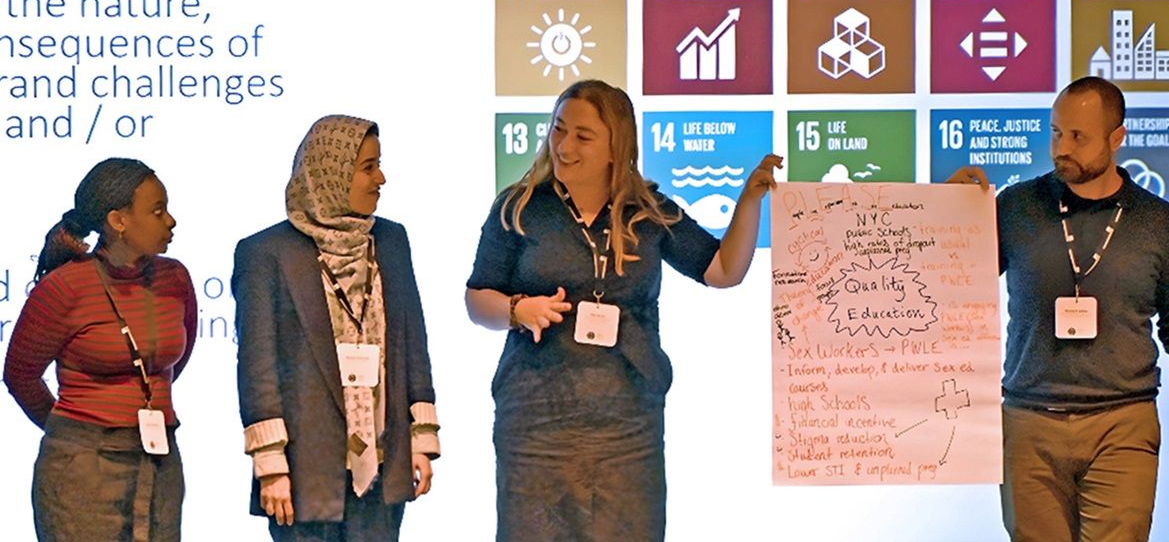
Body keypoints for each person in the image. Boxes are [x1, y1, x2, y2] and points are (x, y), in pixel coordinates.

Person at [465, 79, 780, 541]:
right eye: (558, 129)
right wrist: (516, 309)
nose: (564, 146)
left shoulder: (647, 210)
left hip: (627, 425)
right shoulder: (519, 207)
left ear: (617, 146)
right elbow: (477, 299)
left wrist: (749, 200)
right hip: (536, 424)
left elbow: (723, 269)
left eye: (583, 136)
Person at [949, 76, 1169, 541]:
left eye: (1078, 137)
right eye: (1056, 133)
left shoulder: (1161, 223)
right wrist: (949, 213)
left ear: (1117, 138)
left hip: (1122, 425)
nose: (1061, 148)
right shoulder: (1017, 206)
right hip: (1029, 422)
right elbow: (955, 284)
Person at [234, 115, 439, 541]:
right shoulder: (266, 253)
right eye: (367, 167)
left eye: (378, 164)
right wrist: (270, 467)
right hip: (306, 470)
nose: (380, 178)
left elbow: (412, 342)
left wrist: (422, 437)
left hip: (384, 468)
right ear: (332, 173)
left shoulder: (393, 241)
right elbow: (258, 366)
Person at [3, 158, 196, 542]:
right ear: (118, 221)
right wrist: (71, 431)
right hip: (84, 470)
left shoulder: (175, 277)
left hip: (160, 461)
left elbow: (177, 357)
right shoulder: (65, 287)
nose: (170, 221)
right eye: (157, 211)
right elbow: (20, 375)